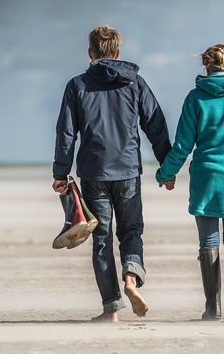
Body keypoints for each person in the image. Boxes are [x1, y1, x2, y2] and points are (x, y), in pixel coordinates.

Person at [52, 25, 172, 322]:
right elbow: (155, 124)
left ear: (90, 52)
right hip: (128, 170)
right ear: (117, 53)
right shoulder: (135, 83)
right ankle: (131, 279)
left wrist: (61, 172)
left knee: (102, 239)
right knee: (131, 232)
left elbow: (67, 133)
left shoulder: (77, 85)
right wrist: (166, 165)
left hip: (94, 173)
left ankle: (111, 309)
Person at [155, 44, 224, 320]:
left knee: (209, 240)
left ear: (206, 68)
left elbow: (182, 144)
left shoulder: (195, 98)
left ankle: (212, 308)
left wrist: (166, 174)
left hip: (206, 176)